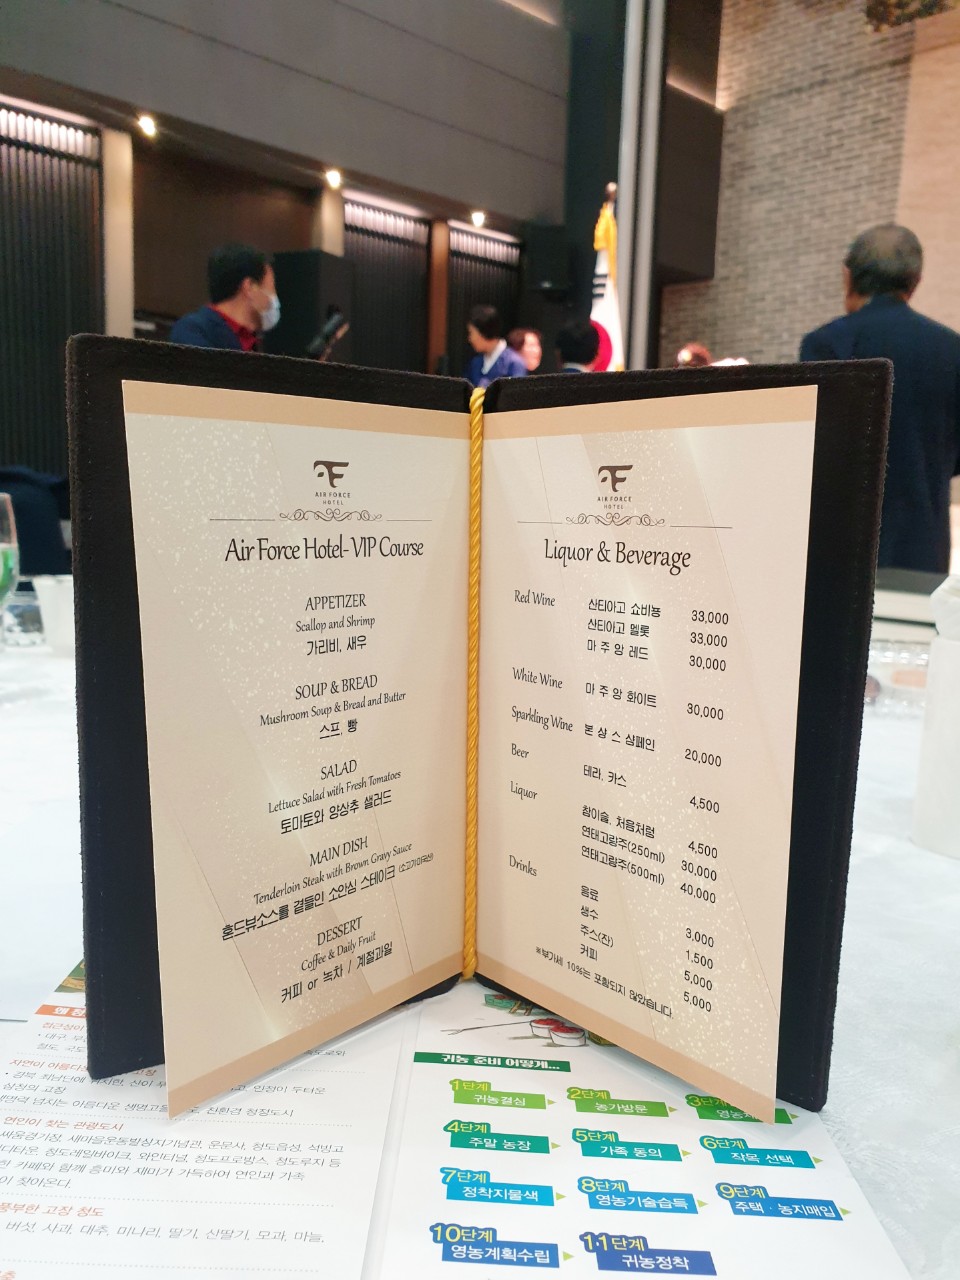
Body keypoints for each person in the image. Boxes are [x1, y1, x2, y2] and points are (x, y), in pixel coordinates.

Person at [800, 224, 960, 573]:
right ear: (914, 282)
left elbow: (812, 450)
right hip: (923, 552)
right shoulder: (953, 349)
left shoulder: (826, 344)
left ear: (847, 276)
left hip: (840, 549)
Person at [169, 243, 280, 351]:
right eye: (272, 288)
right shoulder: (193, 331)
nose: (274, 298)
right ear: (249, 287)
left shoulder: (252, 342)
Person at [464, 305, 528, 387]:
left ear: (484, 331)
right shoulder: (475, 363)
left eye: (471, 333)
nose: (469, 339)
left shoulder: (513, 363)